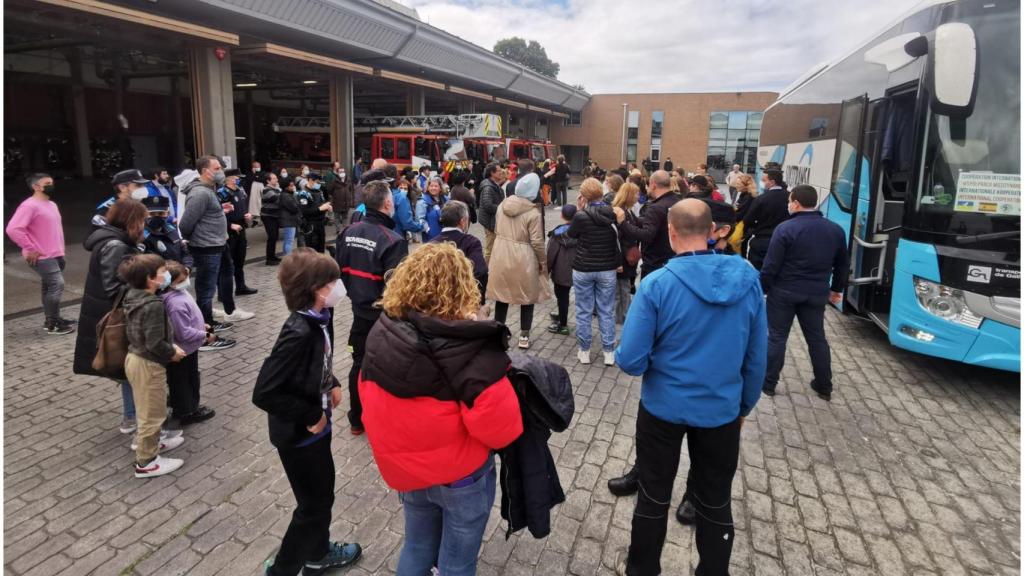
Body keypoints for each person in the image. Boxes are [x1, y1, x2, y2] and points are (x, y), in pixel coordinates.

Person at [614, 199, 766, 576]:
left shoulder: (656, 285)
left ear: (671, 232)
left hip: (663, 408)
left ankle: (642, 570)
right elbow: (757, 356)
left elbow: (631, 360)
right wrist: (743, 407)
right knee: (715, 502)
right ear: (713, 230)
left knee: (652, 495)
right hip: (720, 411)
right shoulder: (747, 279)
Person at [358, 243, 523, 576]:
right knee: (457, 562)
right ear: (463, 287)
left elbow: (366, 392)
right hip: (460, 476)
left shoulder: (384, 329)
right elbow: (503, 429)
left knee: (417, 545)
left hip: (408, 470)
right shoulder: (471, 347)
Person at [253, 249, 363, 575]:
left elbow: (317, 363)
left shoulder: (320, 319)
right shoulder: (298, 332)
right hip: (299, 436)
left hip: (316, 430)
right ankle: (284, 569)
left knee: (322, 496)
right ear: (319, 289)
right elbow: (265, 392)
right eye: (334, 280)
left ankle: (317, 553)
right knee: (313, 507)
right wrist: (312, 415)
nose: (340, 286)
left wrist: (333, 380)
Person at [760, 185, 849, 401]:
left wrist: (763, 288)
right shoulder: (835, 230)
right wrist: (836, 289)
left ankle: (769, 383)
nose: (788, 204)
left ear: (796, 203)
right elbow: (842, 264)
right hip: (816, 293)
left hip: (784, 292)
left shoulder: (785, 229)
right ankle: (824, 385)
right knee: (817, 338)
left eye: (790, 201)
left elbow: (771, 265)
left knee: (777, 337)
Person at [336, 180, 409, 435]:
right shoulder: (393, 240)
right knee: (387, 368)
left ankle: (357, 419)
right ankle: (383, 420)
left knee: (359, 364)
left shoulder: (347, 231)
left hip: (358, 311)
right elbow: (397, 287)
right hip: (384, 318)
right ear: (388, 203)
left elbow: (340, 270)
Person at [73, 199, 147, 434]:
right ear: (132, 220)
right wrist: (150, 282)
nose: (145, 225)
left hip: (114, 314)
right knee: (129, 369)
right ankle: (135, 419)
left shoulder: (116, 241)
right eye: (143, 220)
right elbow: (115, 288)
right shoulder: (115, 245)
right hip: (117, 319)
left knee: (126, 370)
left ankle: (131, 416)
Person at [120, 253, 188, 478]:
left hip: (136, 359)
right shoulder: (152, 305)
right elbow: (154, 342)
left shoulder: (133, 295)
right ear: (150, 279)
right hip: (147, 364)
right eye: (162, 272)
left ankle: (154, 444)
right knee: (152, 414)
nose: (167, 275)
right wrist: (173, 352)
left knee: (149, 407)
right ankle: (146, 461)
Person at [5, 173, 75, 334]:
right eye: (47, 183)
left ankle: (51, 318)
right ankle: (53, 324)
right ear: (35, 186)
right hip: (42, 256)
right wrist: (30, 248)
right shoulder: (29, 206)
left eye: (52, 182)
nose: (52, 185)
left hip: (55, 253)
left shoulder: (51, 204)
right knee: (57, 285)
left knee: (49, 286)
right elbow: (13, 229)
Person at [486, 173, 547, 350]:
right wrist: (542, 260)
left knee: (501, 295)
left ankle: (498, 333)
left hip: (501, 250)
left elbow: (496, 227)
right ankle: (524, 336)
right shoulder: (533, 212)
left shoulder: (502, 205)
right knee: (527, 296)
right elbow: (537, 241)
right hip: (524, 254)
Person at [179, 156, 237, 328]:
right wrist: (197, 239)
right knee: (206, 289)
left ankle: (216, 315)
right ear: (206, 171)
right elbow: (185, 225)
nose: (222, 172)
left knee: (225, 274)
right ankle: (204, 325)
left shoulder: (208, 190)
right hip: (207, 248)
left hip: (218, 244)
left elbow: (205, 215)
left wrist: (220, 211)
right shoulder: (200, 193)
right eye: (218, 168)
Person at [162, 260, 222, 424]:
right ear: (170, 283)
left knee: (188, 378)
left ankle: (185, 406)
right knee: (184, 381)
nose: (185, 282)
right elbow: (183, 332)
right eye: (180, 281)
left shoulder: (180, 294)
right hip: (183, 350)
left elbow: (189, 319)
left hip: (189, 348)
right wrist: (206, 335)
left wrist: (202, 325)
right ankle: (186, 412)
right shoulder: (174, 303)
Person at [567, 178, 620, 366]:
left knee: (583, 310)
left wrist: (580, 210)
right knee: (607, 310)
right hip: (607, 268)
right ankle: (608, 352)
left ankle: (584, 350)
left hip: (584, 268)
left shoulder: (581, 216)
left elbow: (571, 235)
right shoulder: (613, 213)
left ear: (584, 196)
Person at [613, 170, 680, 279]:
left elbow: (646, 235)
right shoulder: (677, 202)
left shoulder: (656, 207)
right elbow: (657, 223)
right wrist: (631, 216)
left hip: (655, 263)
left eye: (648, 185)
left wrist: (623, 223)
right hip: (673, 259)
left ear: (653, 185)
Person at [430, 201, 487, 302]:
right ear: (462, 221)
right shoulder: (471, 242)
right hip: (462, 301)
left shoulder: (430, 244)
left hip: (436, 300)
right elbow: (480, 272)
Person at [742, 169, 789, 269]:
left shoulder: (761, 199)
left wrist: (757, 226)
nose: (762, 182)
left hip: (762, 240)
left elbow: (747, 219)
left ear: (772, 182)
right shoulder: (790, 197)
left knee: (757, 270)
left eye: (764, 180)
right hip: (784, 240)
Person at [545, 204, 578, 336]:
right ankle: (561, 314)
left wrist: (546, 271)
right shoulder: (581, 232)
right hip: (578, 269)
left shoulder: (557, 235)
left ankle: (563, 325)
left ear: (561, 215)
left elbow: (550, 255)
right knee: (566, 298)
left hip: (561, 271)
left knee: (562, 297)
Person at [613, 182, 641, 324]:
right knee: (621, 290)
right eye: (636, 193)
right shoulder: (620, 212)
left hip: (627, 257)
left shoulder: (628, 211)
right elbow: (616, 240)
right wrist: (618, 262)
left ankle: (623, 316)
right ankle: (623, 317)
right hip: (623, 258)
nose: (638, 196)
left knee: (624, 288)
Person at [477, 162, 505, 261]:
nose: (501, 172)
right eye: (499, 170)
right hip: (489, 222)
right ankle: (487, 270)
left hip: (493, 220)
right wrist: (503, 208)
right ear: (492, 173)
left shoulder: (493, 184)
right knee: (490, 247)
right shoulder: (488, 187)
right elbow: (488, 205)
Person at [297, 173, 330, 253]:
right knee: (312, 251)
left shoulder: (319, 192)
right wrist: (320, 209)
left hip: (320, 224)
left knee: (321, 249)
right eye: (317, 182)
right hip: (311, 225)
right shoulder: (303, 194)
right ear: (311, 180)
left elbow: (322, 204)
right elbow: (305, 212)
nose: (319, 185)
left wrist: (327, 207)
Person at [415, 176, 448, 242]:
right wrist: (428, 230)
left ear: (440, 188)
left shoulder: (446, 200)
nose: (433, 188)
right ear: (428, 187)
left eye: (436, 186)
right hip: (431, 238)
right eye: (431, 186)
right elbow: (420, 220)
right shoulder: (423, 201)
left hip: (446, 236)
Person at [261, 172, 283, 265]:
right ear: (268, 181)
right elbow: (277, 198)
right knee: (272, 237)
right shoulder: (266, 190)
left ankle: (273, 256)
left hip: (275, 216)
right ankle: (269, 259)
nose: (276, 180)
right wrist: (280, 190)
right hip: (268, 216)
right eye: (274, 178)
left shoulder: (276, 189)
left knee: (275, 237)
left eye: (276, 178)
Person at [325, 164, 354, 229]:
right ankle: (338, 230)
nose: (342, 173)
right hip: (337, 203)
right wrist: (335, 196)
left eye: (343, 172)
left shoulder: (348, 180)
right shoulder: (334, 181)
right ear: (337, 173)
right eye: (340, 172)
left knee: (345, 218)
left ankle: (345, 230)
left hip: (346, 203)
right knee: (337, 217)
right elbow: (330, 190)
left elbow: (350, 189)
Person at [279, 179, 301, 256]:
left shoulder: (287, 194)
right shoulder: (286, 196)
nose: (293, 187)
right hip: (289, 220)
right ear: (286, 187)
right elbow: (294, 208)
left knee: (287, 240)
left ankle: (286, 256)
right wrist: (298, 204)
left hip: (289, 220)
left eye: (293, 185)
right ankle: (288, 258)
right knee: (289, 240)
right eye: (291, 186)